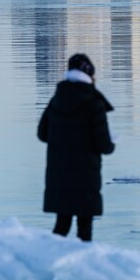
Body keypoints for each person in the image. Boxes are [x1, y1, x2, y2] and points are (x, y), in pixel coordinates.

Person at [37, 53, 115, 241]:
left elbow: (42, 133)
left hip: (60, 176)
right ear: (90, 75)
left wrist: (64, 138)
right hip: (85, 175)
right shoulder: (94, 103)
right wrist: (111, 144)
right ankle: (83, 266)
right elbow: (104, 145)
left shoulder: (56, 100)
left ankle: (49, 259)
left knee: (61, 225)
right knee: (84, 228)